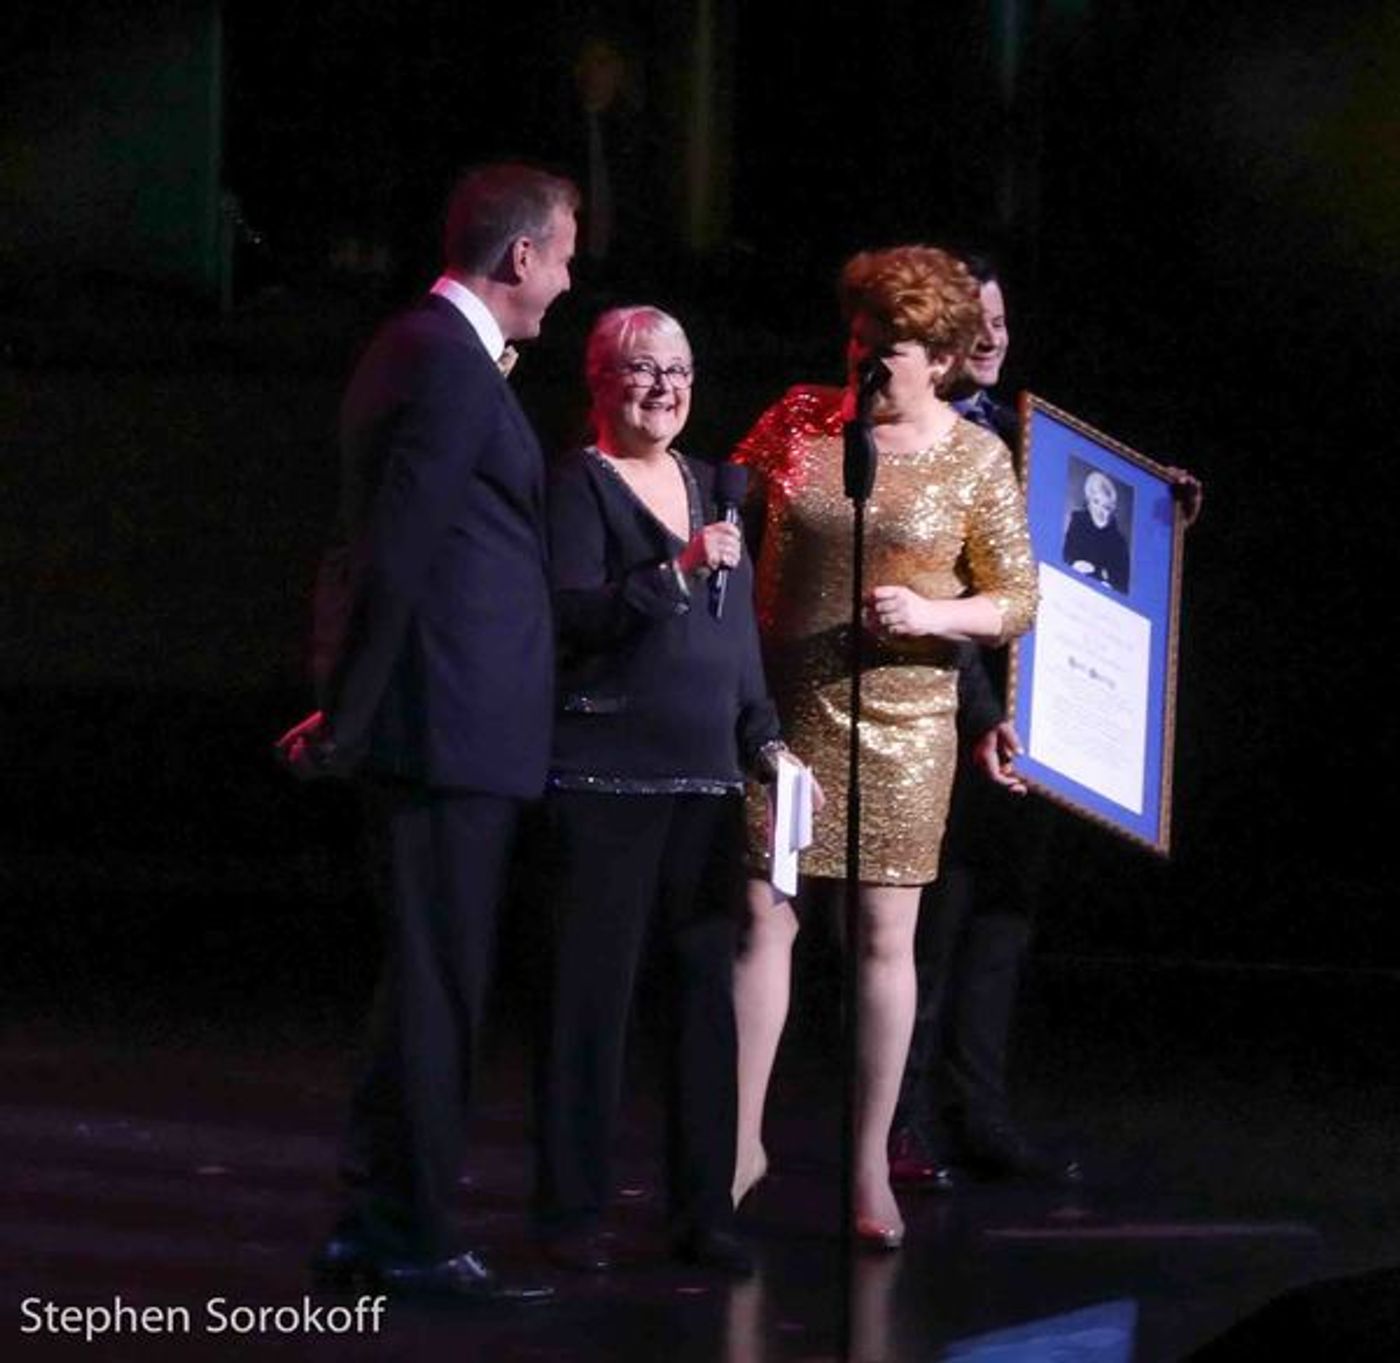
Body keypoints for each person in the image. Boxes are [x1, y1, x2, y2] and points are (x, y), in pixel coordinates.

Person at [275, 163, 577, 1302]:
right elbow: (391, 554)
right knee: (437, 987)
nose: (566, 277)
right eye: (561, 253)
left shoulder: (431, 358)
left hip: (448, 727)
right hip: (445, 732)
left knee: (424, 984)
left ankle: (378, 1219)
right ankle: (405, 1230)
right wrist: (346, 715)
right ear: (518, 259)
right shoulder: (441, 365)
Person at [731, 246, 1038, 1250]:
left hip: (904, 722)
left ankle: (868, 1166)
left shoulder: (973, 457)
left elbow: (1016, 598)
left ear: (941, 358)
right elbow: (726, 505)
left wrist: (935, 608)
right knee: (761, 920)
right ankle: (739, 1145)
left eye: (891, 349)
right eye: (859, 340)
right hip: (783, 715)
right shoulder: (795, 420)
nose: (867, 363)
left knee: (880, 941)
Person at [533, 306, 805, 1277]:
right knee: (589, 1007)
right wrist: (671, 573)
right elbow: (564, 615)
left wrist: (763, 732)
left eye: (679, 369)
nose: (664, 387)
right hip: (604, 779)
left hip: (705, 781)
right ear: (598, 382)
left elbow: (734, 639)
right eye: (641, 370)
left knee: (702, 1007)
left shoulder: (712, 485)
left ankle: (702, 1210)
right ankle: (569, 1217)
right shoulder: (576, 486)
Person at [1063, 468, 1131, 591]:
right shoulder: (1078, 521)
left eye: (1105, 507)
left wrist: (1107, 583)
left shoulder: (1119, 542)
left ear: (1112, 510)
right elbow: (1066, 554)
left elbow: (1122, 583)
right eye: (1095, 502)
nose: (1099, 510)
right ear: (1088, 502)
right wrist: (1073, 564)